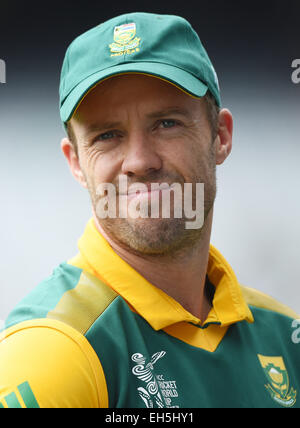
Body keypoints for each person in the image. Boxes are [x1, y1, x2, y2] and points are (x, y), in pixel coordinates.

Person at [0, 12, 299, 409]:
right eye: (107, 135)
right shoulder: (53, 353)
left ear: (221, 137)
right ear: (75, 163)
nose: (139, 161)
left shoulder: (284, 334)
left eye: (167, 123)